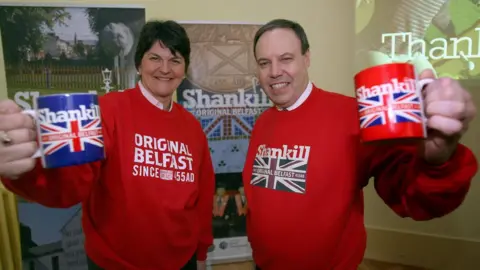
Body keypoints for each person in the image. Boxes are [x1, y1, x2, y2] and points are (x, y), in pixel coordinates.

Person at [242, 19, 478, 270]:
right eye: (264, 63)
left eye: (286, 58)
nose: (274, 71)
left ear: (307, 58)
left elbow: (411, 194)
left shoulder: (353, 115)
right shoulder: (263, 122)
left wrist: (438, 159)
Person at [0, 20, 214, 270]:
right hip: (116, 264)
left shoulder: (191, 126)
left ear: (185, 69)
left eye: (175, 60)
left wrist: (201, 251)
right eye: (155, 57)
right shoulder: (106, 111)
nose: (164, 68)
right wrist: (25, 170)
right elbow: (70, 182)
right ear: (139, 63)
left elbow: (203, 193)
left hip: (182, 262)